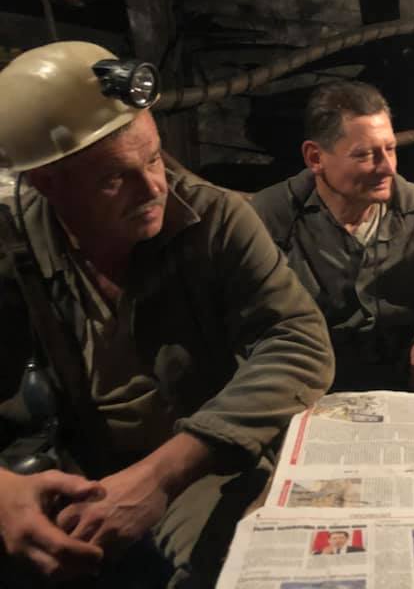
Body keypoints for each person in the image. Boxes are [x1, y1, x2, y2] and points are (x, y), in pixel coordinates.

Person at [0, 42, 335, 587]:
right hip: (54, 466)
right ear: (46, 182)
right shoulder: (12, 244)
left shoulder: (211, 219)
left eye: (154, 158)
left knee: (245, 560)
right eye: (115, 177)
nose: (154, 187)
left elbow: (297, 339)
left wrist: (161, 474)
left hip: (190, 460)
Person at [252, 81, 414, 393]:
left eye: (390, 149)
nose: (387, 168)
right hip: (310, 384)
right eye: (364, 155)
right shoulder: (271, 219)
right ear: (315, 158)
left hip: (404, 383)